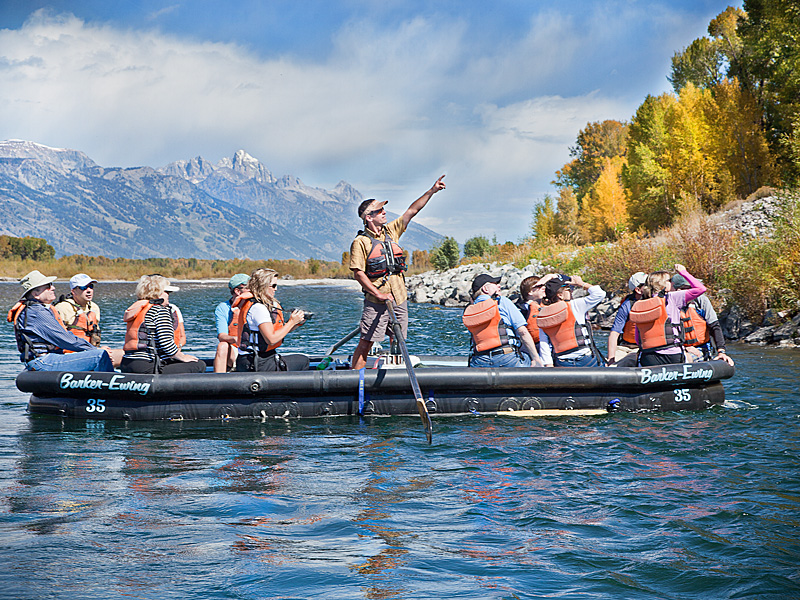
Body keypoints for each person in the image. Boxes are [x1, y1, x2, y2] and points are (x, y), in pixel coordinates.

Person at [348, 175, 446, 370]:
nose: (384, 212)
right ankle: (354, 380)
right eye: (379, 211)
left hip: (399, 297)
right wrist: (378, 294)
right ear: (369, 217)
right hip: (377, 301)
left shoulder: (391, 231)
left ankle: (393, 375)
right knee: (366, 342)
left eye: (384, 209)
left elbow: (412, 210)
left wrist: (431, 191)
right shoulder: (360, 242)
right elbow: (358, 273)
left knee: (397, 339)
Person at [7, 270, 114, 372]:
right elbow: (64, 339)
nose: (53, 288)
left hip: (48, 358)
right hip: (42, 362)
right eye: (48, 286)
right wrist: (94, 349)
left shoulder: (36, 309)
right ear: (36, 294)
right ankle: (111, 389)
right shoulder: (36, 312)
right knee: (100, 356)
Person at [120, 275, 204, 374]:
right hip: (148, 366)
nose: (169, 295)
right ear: (157, 293)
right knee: (199, 365)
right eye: (167, 292)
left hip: (127, 364)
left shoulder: (137, 309)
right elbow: (166, 344)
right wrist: (182, 357)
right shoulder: (160, 311)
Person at [234, 268, 309, 372]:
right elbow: (271, 339)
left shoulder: (259, 305)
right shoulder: (258, 308)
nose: (276, 289)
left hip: (258, 359)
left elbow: (278, 331)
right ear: (263, 286)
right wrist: (291, 322)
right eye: (273, 285)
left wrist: (296, 323)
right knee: (303, 361)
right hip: (257, 362)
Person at [629, 264, 705, 367]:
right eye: (669, 281)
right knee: (700, 356)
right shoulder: (672, 298)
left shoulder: (640, 304)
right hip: (673, 357)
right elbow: (701, 288)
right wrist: (683, 272)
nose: (671, 283)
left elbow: (638, 339)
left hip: (648, 358)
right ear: (663, 284)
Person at [464, 274, 543, 368]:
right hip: (507, 357)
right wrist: (536, 359)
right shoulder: (502, 302)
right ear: (485, 289)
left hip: (479, 361)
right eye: (495, 283)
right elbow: (523, 332)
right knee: (529, 357)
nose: (499, 286)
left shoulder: (470, 310)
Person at [54, 273, 124, 367]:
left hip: (91, 352)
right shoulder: (62, 308)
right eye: (83, 287)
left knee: (124, 355)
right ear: (73, 291)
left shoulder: (94, 308)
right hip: (69, 355)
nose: (89, 291)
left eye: (91, 287)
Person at [537, 274, 606, 367]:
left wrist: (549, 365)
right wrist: (581, 284)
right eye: (568, 289)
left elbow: (544, 344)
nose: (572, 291)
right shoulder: (575, 305)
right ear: (560, 295)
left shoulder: (543, 315)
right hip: (586, 360)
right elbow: (600, 294)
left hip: (562, 362)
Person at [672, 274, 735, 366]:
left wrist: (721, 351)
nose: (695, 291)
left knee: (685, 358)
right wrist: (683, 348)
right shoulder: (669, 303)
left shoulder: (701, 300)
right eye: (691, 288)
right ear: (679, 290)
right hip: (677, 349)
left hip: (700, 349)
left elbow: (715, 326)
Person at [606, 272, 647, 367]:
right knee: (612, 365)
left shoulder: (656, 302)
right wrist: (611, 358)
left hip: (644, 348)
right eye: (647, 285)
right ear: (638, 290)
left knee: (631, 360)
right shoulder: (627, 305)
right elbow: (614, 333)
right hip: (625, 347)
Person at [212, 273, 250, 373]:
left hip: (253, 349)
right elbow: (222, 336)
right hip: (235, 350)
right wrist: (237, 340)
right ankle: (218, 382)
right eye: (249, 287)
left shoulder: (256, 306)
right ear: (237, 291)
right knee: (222, 345)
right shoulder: (223, 308)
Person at [516, 273, 558, 358]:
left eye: (544, 285)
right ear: (530, 292)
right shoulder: (520, 309)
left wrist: (549, 277)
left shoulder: (547, 303)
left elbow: (562, 281)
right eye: (539, 286)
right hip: (530, 349)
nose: (544, 288)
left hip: (549, 346)